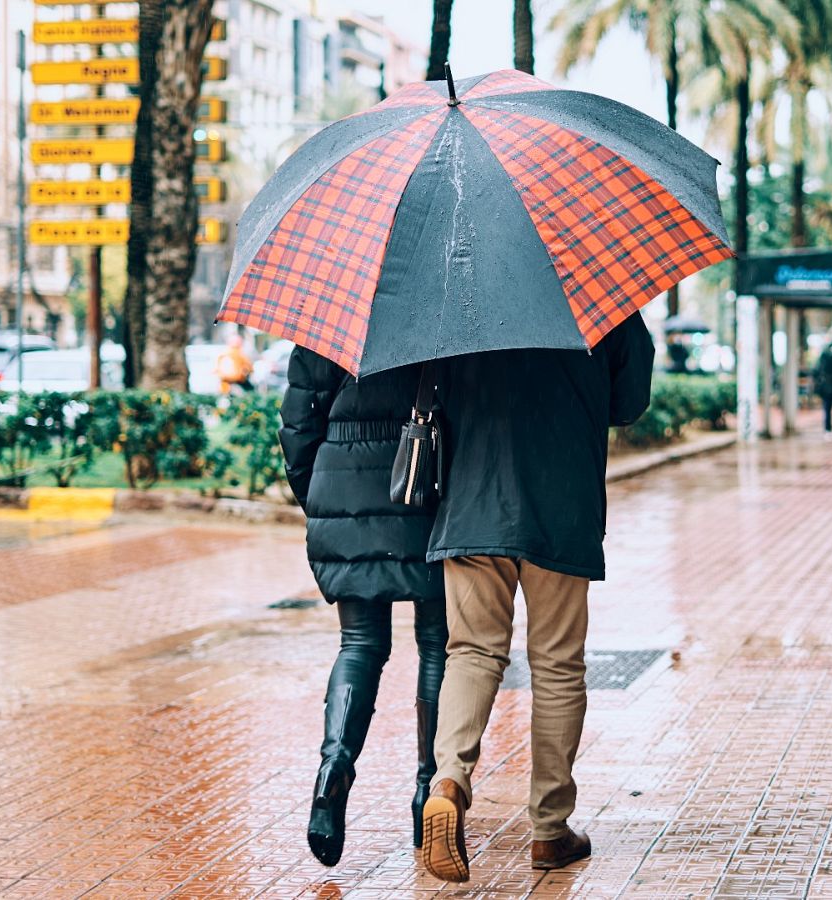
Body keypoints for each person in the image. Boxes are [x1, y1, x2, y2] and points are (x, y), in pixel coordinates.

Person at [418, 313, 654, 883]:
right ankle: (550, 830)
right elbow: (629, 402)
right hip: (561, 504)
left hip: (474, 502)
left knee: (471, 652)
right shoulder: (603, 289)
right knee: (557, 666)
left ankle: (448, 781)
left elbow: (429, 393)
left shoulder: (458, 289)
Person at [279, 347, 447, 867]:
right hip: (425, 488)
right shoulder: (446, 310)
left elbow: (297, 424)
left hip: (340, 481)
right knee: (438, 646)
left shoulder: (332, 308)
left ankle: (334, 768)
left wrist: (323, 496)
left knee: (360, 644)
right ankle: (428, 792)